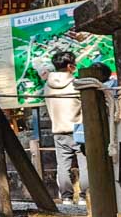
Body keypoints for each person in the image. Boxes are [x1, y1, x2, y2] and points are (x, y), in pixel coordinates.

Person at [37, 50, 88, 205]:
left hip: (58, 129)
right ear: (70, 66)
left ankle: (66, 197)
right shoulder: (77, 84)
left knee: (63, 165)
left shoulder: (48, 85)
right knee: (84, 163)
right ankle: (85, 196)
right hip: (78, 128)